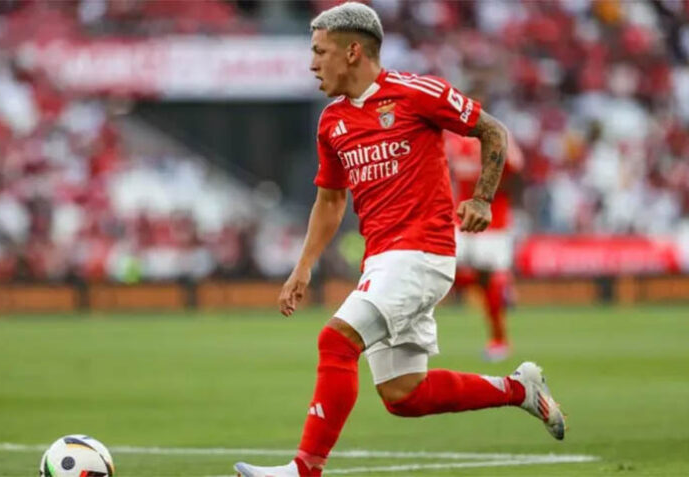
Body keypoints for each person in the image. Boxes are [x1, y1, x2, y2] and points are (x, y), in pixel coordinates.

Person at [235, 3, 565, 476]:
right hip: (382, 260)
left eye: (320, 52)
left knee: (336, 341)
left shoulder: (416, 93)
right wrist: (303, 265)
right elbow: (331, 201)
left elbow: (492, 131)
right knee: (404, 395)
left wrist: (482, 199)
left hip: (421, 254)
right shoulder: (331, 122)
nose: (312, 64)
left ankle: (303, 470)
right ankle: (520, 389)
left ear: (352, 52)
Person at [445, 129, 524, 361]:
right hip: (460, 218)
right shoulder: (452, 138)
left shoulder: (499, 135)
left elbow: (517, 173)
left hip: (493, 222)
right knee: (440, 270)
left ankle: (499, 340)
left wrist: (490, 193)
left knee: (492, 278)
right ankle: (497, 285)